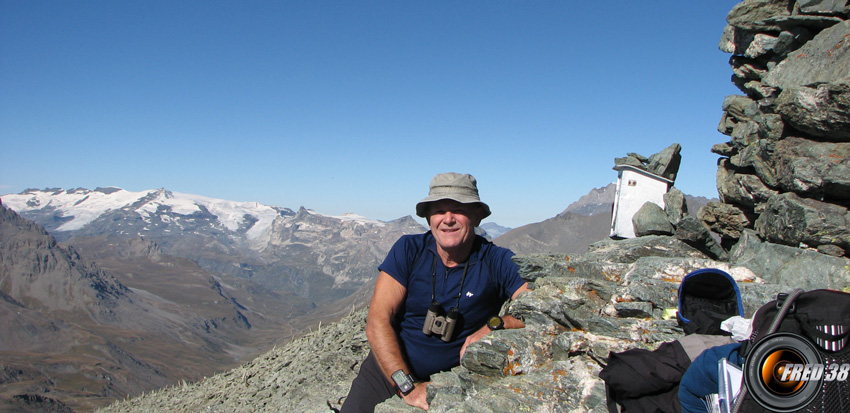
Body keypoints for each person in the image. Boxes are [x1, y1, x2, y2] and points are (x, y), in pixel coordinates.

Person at [341, 172, 529, 412]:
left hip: (452, 378)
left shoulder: (498, 261)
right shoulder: (408, 250)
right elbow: (378, 320)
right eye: (439, 211)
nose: (447, 219)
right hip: (387, 371)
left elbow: (537, 311)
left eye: (458, 209)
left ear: (477, 215)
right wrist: (407, 387)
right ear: (429, 218)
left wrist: (496, 324)